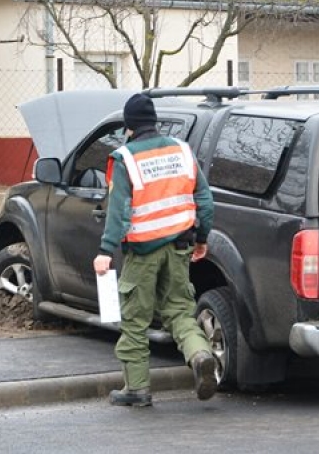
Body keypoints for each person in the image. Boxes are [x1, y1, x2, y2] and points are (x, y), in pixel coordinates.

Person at [93, 93, 217, 407]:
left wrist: (106, 250)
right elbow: (205, 200)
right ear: (155, 121)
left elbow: (118, 210)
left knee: (135, 321)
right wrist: (202, 238)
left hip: (143, 253)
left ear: (129, 125)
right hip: (179, 249)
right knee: (178, 312)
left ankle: (137, 389)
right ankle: (200, 355)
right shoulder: (181, 150)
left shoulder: (126, 158)